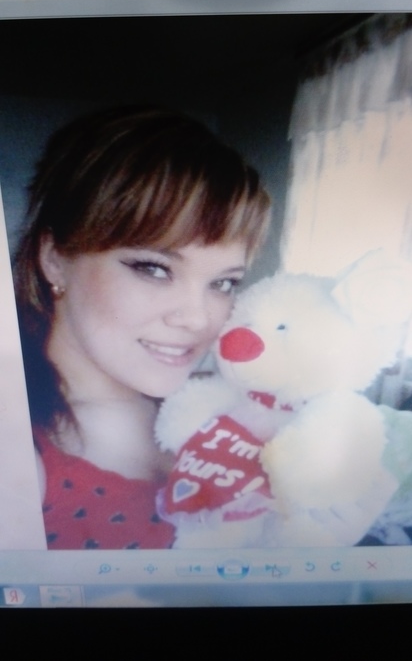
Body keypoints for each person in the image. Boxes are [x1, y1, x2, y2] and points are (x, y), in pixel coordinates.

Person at [14, 104, 270, 550]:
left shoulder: (220, 420)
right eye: (154, 269)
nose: (198, 319)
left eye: (224, 283)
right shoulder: (20, 454)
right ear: (54, 257)